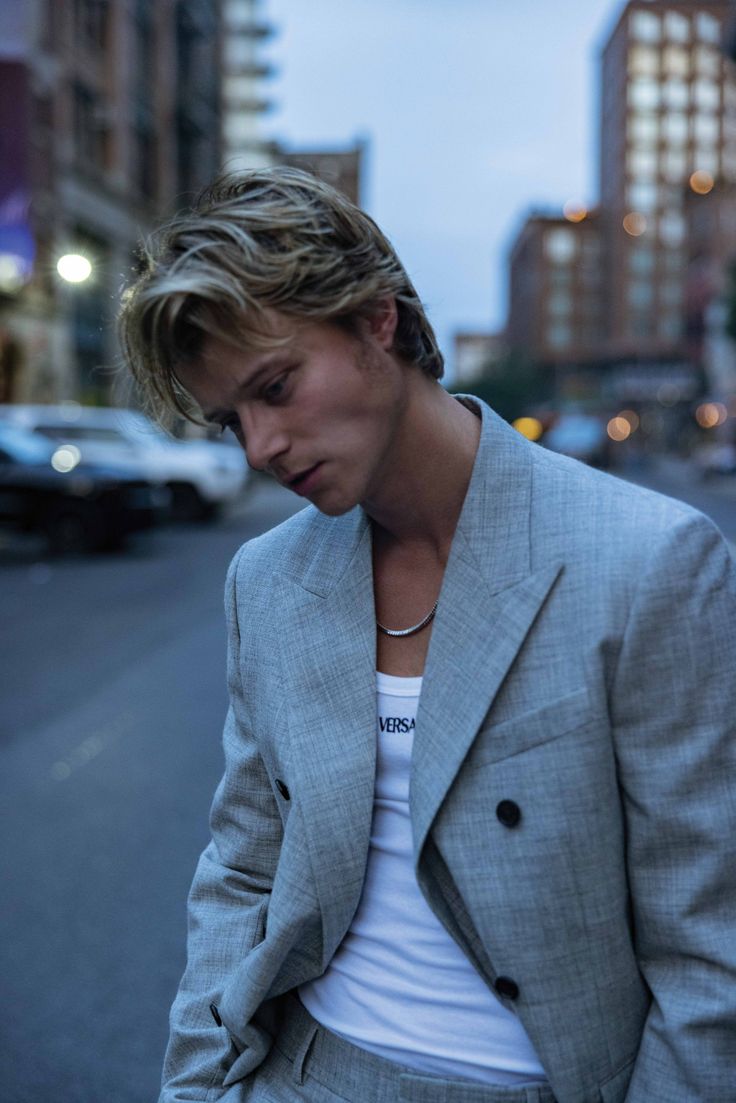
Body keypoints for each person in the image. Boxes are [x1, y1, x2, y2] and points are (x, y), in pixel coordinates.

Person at [119, 168, 736, 1103]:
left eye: (276, 386)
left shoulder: (649, 562)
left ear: (377, 318)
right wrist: (198, 1086)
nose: (259, 448)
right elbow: (244, 865)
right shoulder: (271, 577)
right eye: (230, 419)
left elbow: (708, 951)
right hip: (304, 1071)